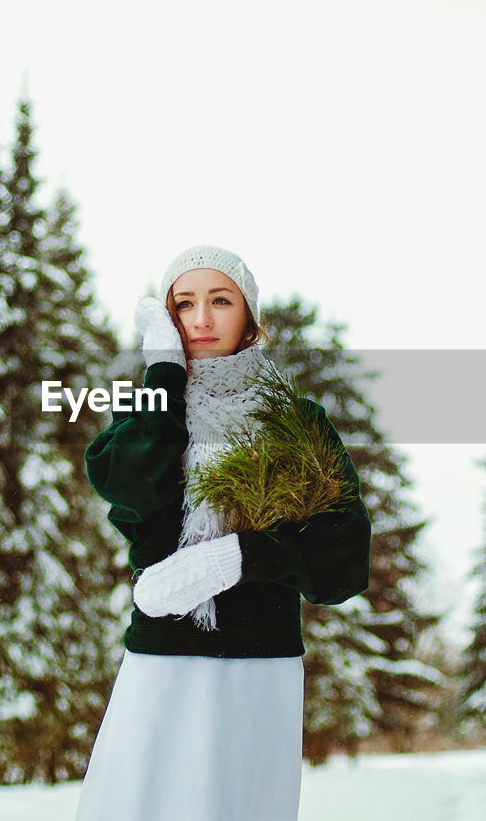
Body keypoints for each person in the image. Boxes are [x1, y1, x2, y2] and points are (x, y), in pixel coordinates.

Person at [75, 245, 372, 821]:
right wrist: (163, 376)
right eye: (183, 306)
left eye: (220, 300)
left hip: (260, 670)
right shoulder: (141, 410)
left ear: (250, 316)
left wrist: (240, 556)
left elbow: (344, 556)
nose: (202, 320)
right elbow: (135, 493)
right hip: (163, 662)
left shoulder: (297, 420)